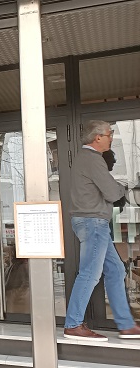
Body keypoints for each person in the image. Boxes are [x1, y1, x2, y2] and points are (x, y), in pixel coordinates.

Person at [64, 120, 140, 340]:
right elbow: (113, 193)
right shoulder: (92, 158)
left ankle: (126, 325)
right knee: (90, 273)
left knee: (116, 271)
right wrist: (122, 188)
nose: (112, 137)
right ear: (97, 137)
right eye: (110, 133)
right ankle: (73, 324)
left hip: (93, 222)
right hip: (93, 222)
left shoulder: (85, 159)